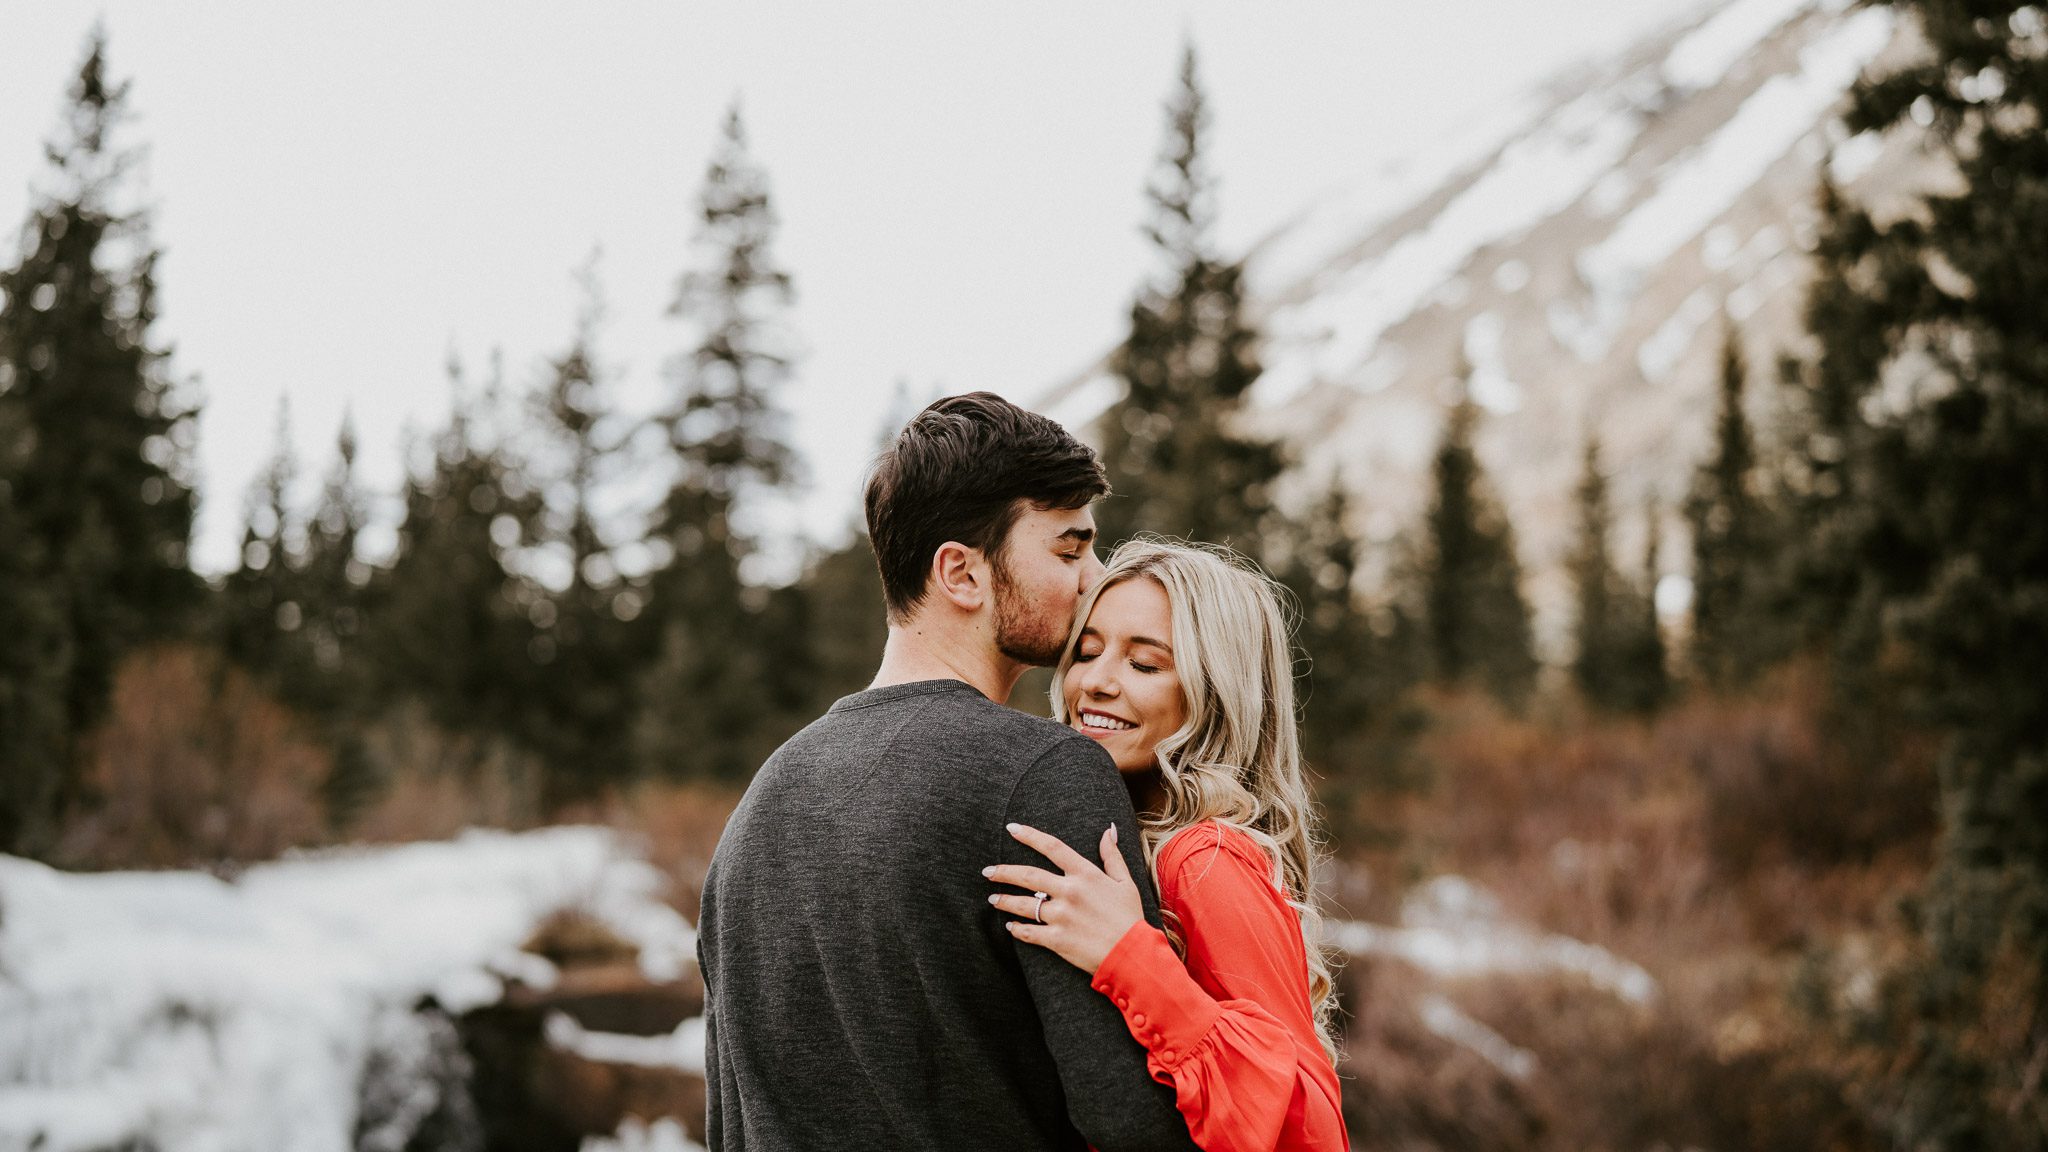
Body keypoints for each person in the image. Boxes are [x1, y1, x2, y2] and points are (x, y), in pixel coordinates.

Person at [696, 393, 1199, 1151]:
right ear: (961, 573)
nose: (1096, 579)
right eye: (1069, 552)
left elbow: (728, 1120)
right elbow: (1139, 1124)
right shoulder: (1044, 774)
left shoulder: (762, 802)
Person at [985, 539, 1349, 1151]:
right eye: (1087, 652)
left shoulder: (1205, 858)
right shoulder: (1109, 835)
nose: (1094, 682)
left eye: (1145, 664)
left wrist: (1129, 955)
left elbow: (1312, 1128)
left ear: (1217, 693)